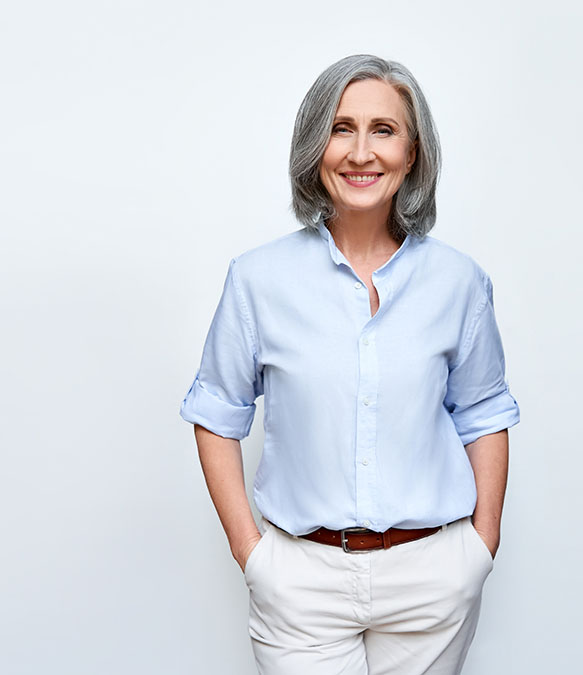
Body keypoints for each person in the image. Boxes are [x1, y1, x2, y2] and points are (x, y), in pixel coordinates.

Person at [179, 54, 520, 675]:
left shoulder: (459, 282)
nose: (361, 152)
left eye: (384, 131)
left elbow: (484, 411)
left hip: (432, 577)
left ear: (413, 153)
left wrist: (480, 546)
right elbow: (216, 414)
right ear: (316, 146)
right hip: (301, 579)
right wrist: (251, 554)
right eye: (342, 128)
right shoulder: (257, 280)